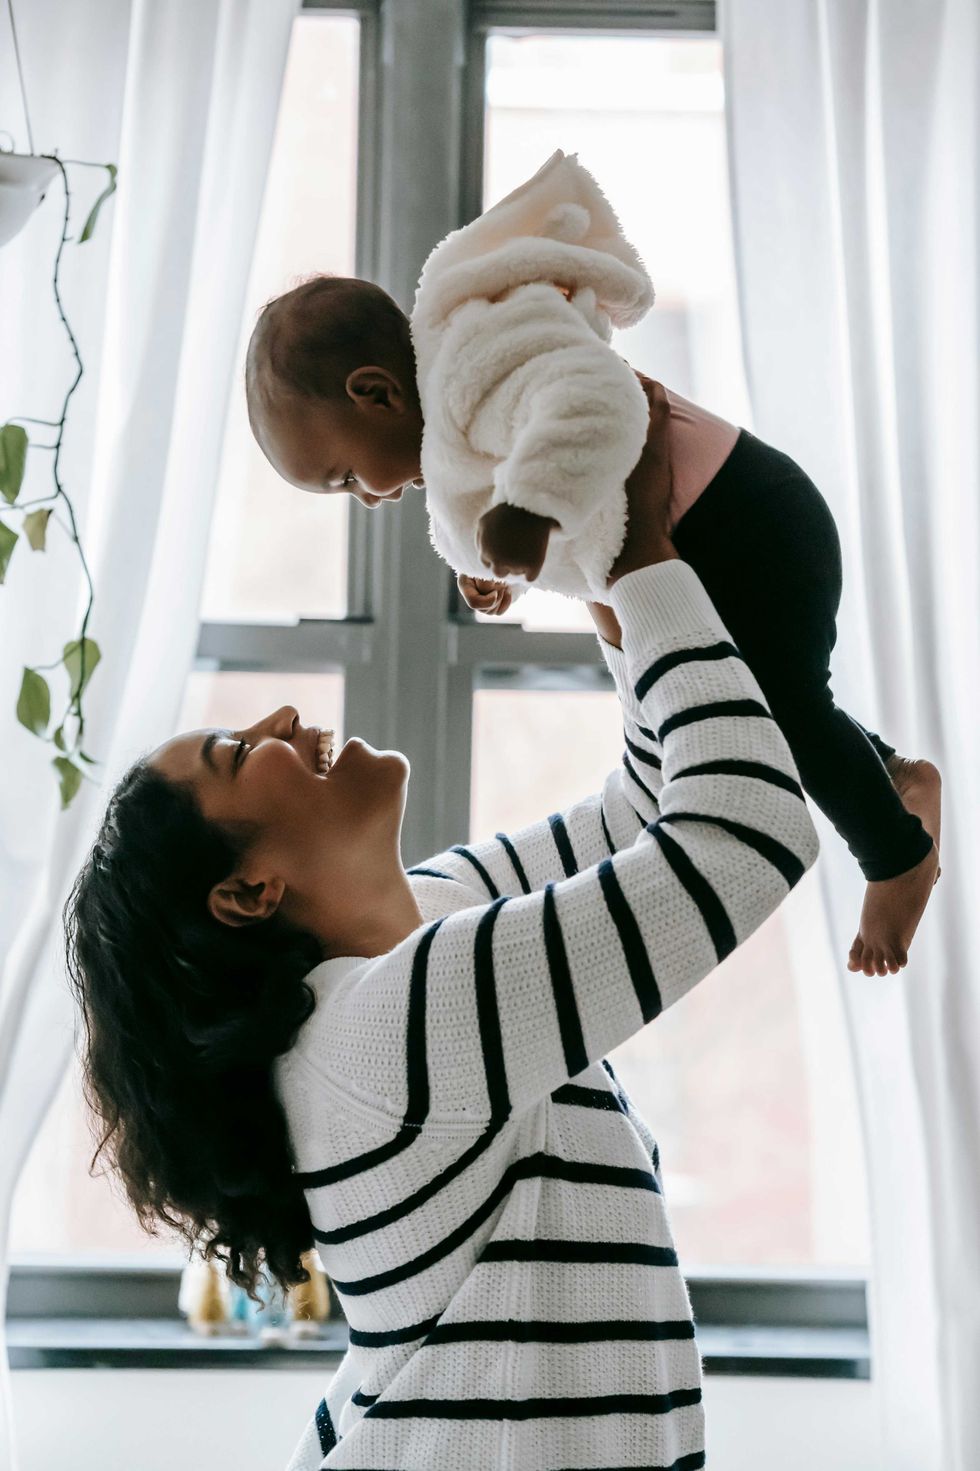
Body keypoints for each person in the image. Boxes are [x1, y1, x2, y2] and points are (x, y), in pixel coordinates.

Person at [66, 389, 817, 1470]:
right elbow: (743, 834)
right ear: (247, 892)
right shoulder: (386, 1028)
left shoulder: (438, 916)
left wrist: (602, 570)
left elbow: (644, 811)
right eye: (238, 751)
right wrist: (648, 559)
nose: (280, 716)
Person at [242, 155, 939, 979]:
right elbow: (552, 500)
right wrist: (497, 562)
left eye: (347, 477)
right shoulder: (451, 428)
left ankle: (895, 857)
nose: (365, 499)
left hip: (748, 518)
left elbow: (595, 400)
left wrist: (527, 510)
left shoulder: (477, 353)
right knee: (768, 700)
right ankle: (890, 773)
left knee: (778, 706)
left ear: (377, 393)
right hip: (713, 532)